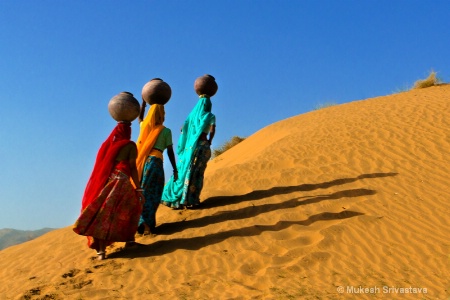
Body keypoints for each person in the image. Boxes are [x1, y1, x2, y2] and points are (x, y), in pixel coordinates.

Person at [73, 120, 144, 260]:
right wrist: (138, 187)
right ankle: (129, 241)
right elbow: (132, 167)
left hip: (107, 183)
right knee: (131, 210)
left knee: (102, 215)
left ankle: (101, 251)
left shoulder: (107, 146)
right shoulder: (130, 145)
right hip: (122, 183)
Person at [161, 94, 216, 208]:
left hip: (191, 148)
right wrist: (210, 141)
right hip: (203, 147)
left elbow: (182, 129)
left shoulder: (191, 117)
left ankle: (181, 200)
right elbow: (212, 129)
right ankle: (192, 199)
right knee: (197, 173)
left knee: (187, 171)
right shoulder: (210, 116)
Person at [136, 102, 178, 235]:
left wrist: (143, 104)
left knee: (142, 191)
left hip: (143, 163)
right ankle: (146, 225)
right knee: (154, 193)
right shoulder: (166, 131)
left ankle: (139, 222)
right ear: (162, 115)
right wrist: (175, 169)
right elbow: (170, 151)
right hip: (156, 163)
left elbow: (140, 119)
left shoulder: (145, 127)